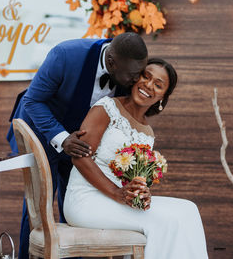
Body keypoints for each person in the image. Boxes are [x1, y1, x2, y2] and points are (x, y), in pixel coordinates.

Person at [6, 32, 148, 259]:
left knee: (73, 205)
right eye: (133, 75)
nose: (136, 80)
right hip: (44, 132)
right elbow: (33, 100)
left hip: (83, 143)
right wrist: (61, 138)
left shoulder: (126, 70)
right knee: (38, 206)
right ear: (111, 62)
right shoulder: (66, 55)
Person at [63, 58, 209, 259]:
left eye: (158, 85)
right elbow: (79, 159)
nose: (149, 85)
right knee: (164, 221)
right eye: (145, 76)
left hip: (118, 200)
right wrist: (116, 193)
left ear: (162, 97)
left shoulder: (147, 133)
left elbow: (133, 179)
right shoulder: (106, 108)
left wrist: (141, 193)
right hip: (86, 200)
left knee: (188, 210)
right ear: (134, 77)